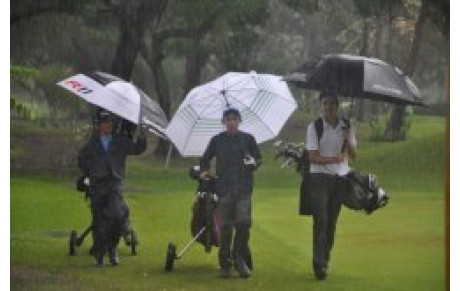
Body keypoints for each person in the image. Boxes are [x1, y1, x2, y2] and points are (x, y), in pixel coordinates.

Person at [78, 110, 147, 267]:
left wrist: (142, 135)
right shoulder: (92, 143)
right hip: (97, 186)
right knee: (99, 221)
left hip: (114, 185)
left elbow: (137, 149)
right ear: (99, 125)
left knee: (116, 217)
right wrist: (91, 172)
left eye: (110, 122)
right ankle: (100, 254)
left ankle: (112, 249)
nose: (108, 125)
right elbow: (82, 160)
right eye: (105, 122)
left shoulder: (120, 141)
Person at [199, 108, 262, 279]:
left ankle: (238, 257)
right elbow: (204, 159)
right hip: (224, 189)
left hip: (244, 189)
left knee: (244, 223)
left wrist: (252, 163)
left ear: (239, 121)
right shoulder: (217, 140)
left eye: (234, 119)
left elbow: (258, 159)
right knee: (225, 227)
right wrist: (204, 172)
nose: (231, 122)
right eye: (228, 119)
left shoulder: (248, 139)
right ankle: (225, 263)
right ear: (224, 122)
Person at [305, 92, 357, 280]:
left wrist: (347, 138)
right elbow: (312, 157)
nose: (327, 107)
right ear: (320, 106)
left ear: (337, 106)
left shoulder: (346, 125)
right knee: (321, 221)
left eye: (331, 104)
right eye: (324, 104)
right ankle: (319, 265)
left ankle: (325, 260)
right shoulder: (315, 127)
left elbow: (353, 155)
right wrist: (334, 158)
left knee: (332, 223)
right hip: (319, 178)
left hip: (340, 178)